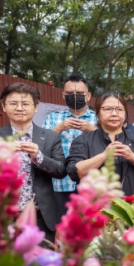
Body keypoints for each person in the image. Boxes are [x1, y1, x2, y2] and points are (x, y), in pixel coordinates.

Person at [0, 83, 66, 236]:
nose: (19, 108)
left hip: (40, 217)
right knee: (1, 260)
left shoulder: (51, 137)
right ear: (4, 106)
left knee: (40, 260)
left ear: (35, 107)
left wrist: (39, 156)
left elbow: (60, 170)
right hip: (2, 216)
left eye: (25, 104)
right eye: (13, 103)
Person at [67, 93, 134, 197]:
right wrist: (104, 156)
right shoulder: (83, 140)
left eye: (119, 109)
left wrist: (133, 157)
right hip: (94, 207)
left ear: (125, 114)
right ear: (97, 113)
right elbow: (74, 172)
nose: (114, 113)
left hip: (130, 208)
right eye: (108, 109)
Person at [42, 74, 97, 212]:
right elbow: (42, 147)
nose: (74, 96)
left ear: (88, 96)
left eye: (79, 93)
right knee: (62, 229)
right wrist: (59, 128)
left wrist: (93, 130)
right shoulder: (52, 118)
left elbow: (111, 144)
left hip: (92, 185)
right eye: (70, 93)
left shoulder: (98, 119)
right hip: (60, 185)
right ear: (63, 95)